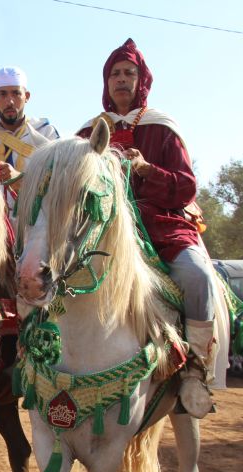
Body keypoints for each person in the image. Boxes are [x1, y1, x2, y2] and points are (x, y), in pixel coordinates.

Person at [78, 38, 218, 418]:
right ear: (106, 83)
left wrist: (145, 169)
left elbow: (186, 186)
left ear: (142, 80)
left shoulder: (162, 127)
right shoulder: (90, 131)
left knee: (198, 275)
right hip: (107, 229)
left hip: (163, 225)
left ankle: (194, 369)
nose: (121, 80)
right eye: (115, 74)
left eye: (129, 73)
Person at [0, 66, 59, 208]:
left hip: (39, 227)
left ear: (27, 96)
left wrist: (21, 180)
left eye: (16, 93)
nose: (10, 101)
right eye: (3, 94)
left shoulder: (46, 134)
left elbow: (63, 182)